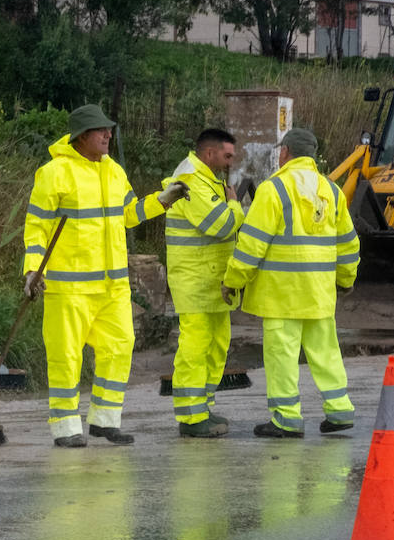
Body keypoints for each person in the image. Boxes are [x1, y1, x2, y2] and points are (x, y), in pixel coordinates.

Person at [24, 105, 188, 448]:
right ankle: (65, 427)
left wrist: (162, 199)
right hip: (69, 287)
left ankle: (105, 420)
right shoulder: (54, 173)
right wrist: (31, 270)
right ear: (83, 135)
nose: (108, 135)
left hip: (112, 286)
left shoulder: (113, 171)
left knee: (119, 346)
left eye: (109, 130)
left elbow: (129, 214)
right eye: (101, 130)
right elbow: (37, 228)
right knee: (66, 355)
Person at [221, 128, 360, 438]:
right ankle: (340, 411)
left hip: (281, 295)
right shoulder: (332, 191)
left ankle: (286, 419)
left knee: (282, 357)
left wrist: (233, 280)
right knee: (325, 352)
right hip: (319, 292)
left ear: (285, 152)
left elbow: (251, 244)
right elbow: (348, 244)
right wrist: (346, 279)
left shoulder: (274, 190)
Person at [164, 129, 246, 438]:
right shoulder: (190, 181)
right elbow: (221, 226)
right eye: (227, 156)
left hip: (212, 281)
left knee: (216, 345)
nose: (230, 161)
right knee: (195, 349)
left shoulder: (209, 179)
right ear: (209, 154)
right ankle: (190, 417)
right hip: (194, 282)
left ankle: (203, 408)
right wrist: (236, 206)